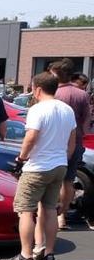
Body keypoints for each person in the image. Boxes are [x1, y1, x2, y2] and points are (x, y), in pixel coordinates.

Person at [1, 71, 76, 260]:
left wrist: (21, 158)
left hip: (37, 166)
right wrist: (63, 158)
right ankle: (49, 255)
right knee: (50, 209)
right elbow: (72, 140)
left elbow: (31, 136)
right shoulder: (67, 110)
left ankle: (26, 255)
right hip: (59, 165)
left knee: (25, 210)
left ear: (38, 89)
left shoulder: (37, 109)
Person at [47, 60, 89, 230]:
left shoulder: (53, 93)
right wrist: (81, 134)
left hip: (54, 142)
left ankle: (55, 214)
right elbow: (87, 121)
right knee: (68, 180)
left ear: (56, 74)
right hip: (76, 141)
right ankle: (62, 216)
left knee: (52, 180)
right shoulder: (82, 94)